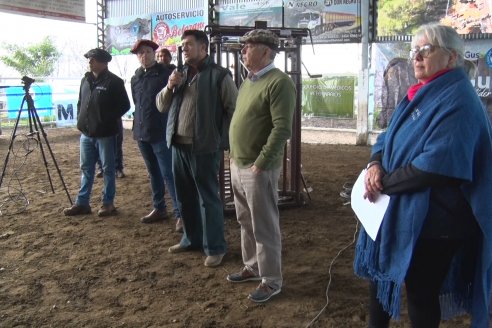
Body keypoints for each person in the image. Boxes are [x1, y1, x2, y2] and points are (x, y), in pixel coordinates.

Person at [354, 23, 492, 327]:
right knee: (379, 279)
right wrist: (375, 164)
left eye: (426, 50)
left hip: (438, 222)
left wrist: (383, 184)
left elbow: (436, 165)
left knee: (420, 294)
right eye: (414, 50)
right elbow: (386, 137)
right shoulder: (420, 93)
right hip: (401, 211)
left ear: (451, 57)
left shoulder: (459, 101)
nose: (416, 57)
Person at [155, 30, 237, 267]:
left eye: (189, 44)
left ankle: (215, 247)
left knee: (208, 198)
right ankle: (191, 239)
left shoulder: (219, 76)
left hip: (204, 147)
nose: (184, 49)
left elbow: (234, 110)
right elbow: (161, 106)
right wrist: (170, 86)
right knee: (185, 196)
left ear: (204, 48)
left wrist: (223, 140)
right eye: (182, 45)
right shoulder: (178, 75)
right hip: (178, 145)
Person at [226, 29, 296, 303]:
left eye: (248, 46)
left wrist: (261, 163)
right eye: (243, 47)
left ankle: (271, 280)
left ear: (266, 51)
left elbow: (282, 129)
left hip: (258, 167)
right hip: (238, 163)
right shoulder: (248, 82)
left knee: (264, 224)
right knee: (245, 219)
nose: (243, 51)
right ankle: (253, 266)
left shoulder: (279, 82)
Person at [63, 48, 130, 217]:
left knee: (108, 169)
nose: (90, 62)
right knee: (86, 168)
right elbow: (81, 102)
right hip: (86, 133)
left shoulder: (114, 82)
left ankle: (108, 203)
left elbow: (124, 105)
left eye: (93, 59)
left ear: (103, 62)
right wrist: (81, 118)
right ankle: (82, 202)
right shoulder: (85, 80)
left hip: (106, 134)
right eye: (89, 59)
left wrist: (106, 119)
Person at [130, 39, 182, 229]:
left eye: (147, 52)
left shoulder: (166, 74)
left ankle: (180, 213)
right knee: (153, 173)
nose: (144, 56)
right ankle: (159, 207)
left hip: (160, 132)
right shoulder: (136, 77)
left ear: (154, 53)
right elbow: (137, 103)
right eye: (140, 53)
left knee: (169, 173)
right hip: (142, 132)